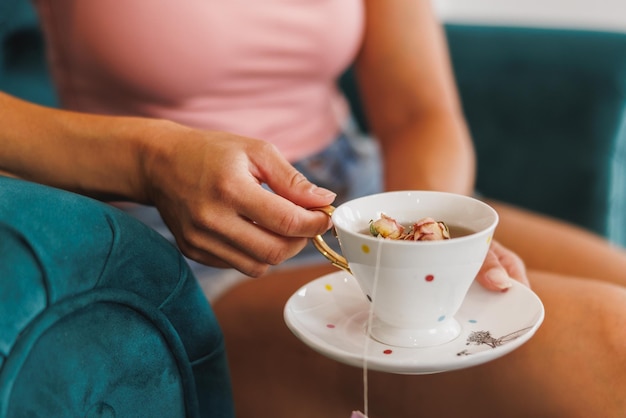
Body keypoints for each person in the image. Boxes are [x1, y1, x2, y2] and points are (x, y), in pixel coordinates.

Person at [1, 0, 624, 416]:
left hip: (369, 195)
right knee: (612, 343)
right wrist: (145, 159)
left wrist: (419, 242)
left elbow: (417, 111)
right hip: (181, 242)